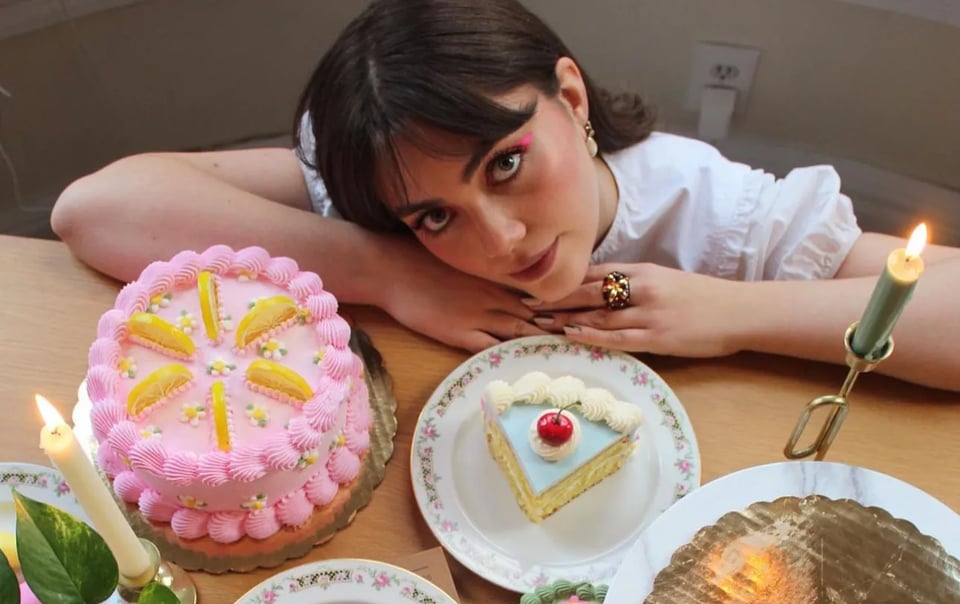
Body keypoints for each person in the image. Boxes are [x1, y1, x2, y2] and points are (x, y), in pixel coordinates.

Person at [51, 0, 960, 391]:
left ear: (569, 96)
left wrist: (737, 312)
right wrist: (389, 268)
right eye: (435, 215)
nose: (498, 240)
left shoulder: (709, 210)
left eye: (506, 163)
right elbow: (94, 209)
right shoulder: (383, 196)